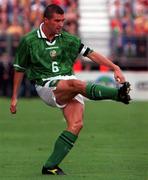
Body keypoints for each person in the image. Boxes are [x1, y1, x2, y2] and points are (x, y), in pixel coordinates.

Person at [10, 4, 131, 175]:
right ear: (45, 20)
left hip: (67, 82)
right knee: (77, 84)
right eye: (56, 21)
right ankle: (119, 95)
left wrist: (114, 67)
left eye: (63, 20)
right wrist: (14, 97)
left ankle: (50, 166)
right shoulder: (29, 41)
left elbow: (91, 53)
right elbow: (19, 68)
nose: (60, 24)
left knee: (76, 125)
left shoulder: (67, 39)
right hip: (46, 85)